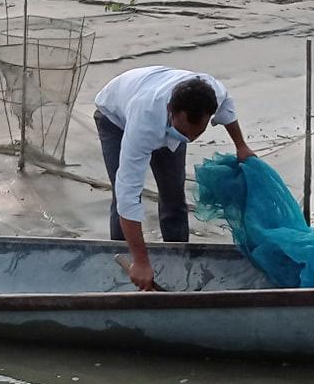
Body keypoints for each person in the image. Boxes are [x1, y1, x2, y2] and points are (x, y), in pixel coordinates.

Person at [94, 66, 254, 290]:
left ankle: (179, 265)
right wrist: (141, 261)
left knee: (173, 194)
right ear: (171, 110)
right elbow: (128, 194)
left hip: (155, 97)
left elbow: (227, 107)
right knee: (122, 196)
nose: (189, 138)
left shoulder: (213, 93)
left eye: (197, 134)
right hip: (115, 117)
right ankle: (126, 269)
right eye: (185, 131)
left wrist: (241, 146)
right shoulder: (144, 122)